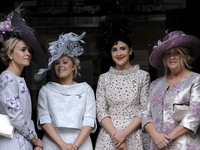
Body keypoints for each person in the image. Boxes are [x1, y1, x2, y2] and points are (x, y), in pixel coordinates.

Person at [94, 15, 151, 150]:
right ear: (110, 53)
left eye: (123, 48)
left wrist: (124, 133)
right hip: (109, 137)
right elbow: (101, 111)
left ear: (130, 50)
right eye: (114, 49)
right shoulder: (104, 78)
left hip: (135, 135)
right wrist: (117, 136)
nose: (119, 53)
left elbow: (144, 109)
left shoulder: (143, 76)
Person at [34, 31, 97, 150]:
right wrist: (62, 145)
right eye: (57, 63)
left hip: (81, 143)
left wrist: (74, 146)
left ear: (74, 66)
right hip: (53, 144)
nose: (60, 66)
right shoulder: (46, 90)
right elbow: (44, 120)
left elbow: (89, 122)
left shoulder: (86, 89)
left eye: (65, 62)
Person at [141, 30, 200, 150]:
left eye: (177, 53)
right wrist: (156, 136)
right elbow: (145, 113)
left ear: (185, 55)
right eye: (168, 53)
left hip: (185, 145)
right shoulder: (155, 84)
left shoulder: (196, 80)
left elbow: (194, 115)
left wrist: (167, 138)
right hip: (158, 145)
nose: (172, 57)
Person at [0, 7, 47, 150]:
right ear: (10, 54)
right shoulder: (7, 78)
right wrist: (35, 139)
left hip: (23, 139)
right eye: (23, 50)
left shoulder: (18, 78)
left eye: (29, 51)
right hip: (12, 140)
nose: (28, 54)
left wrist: (33, 140)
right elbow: (15, 115)